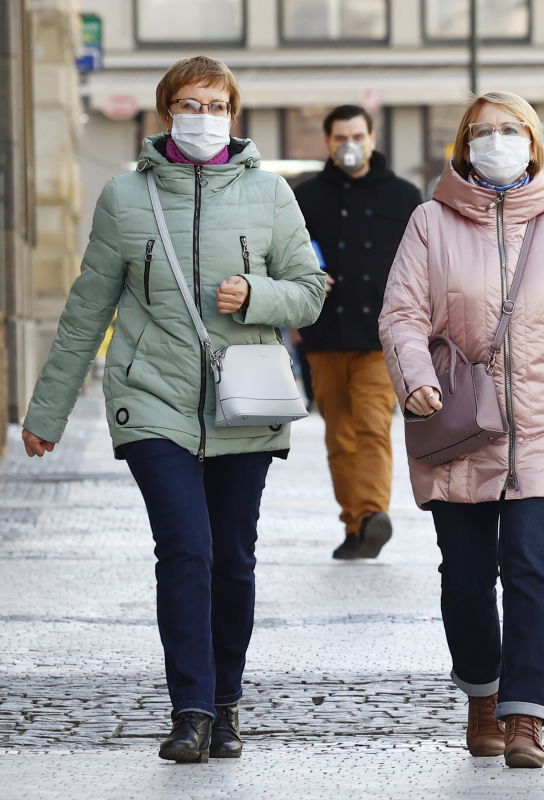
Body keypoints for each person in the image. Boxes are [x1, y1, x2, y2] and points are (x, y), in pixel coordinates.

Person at [20, 56, 326, 763]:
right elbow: (88, 308)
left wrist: (256, 294)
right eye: (189, 104)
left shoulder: (270, 194)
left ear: (233, 115)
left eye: (216, 106)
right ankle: (190, 709)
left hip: (244, 403)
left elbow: (309, 291)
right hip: (151, 398)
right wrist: (47, 411)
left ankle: (226, 702)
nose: (203, 117)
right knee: (186, 550)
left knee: (233, 560)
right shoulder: (125, 196)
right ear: (166, 114)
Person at [379, 91, 544, 769]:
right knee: (465, 579)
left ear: (533, 142)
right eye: (483, 130)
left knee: (529, 564)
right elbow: (401, 316)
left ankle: (525, 716)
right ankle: (482, 692)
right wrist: (415, 378)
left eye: (510, 129)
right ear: (464, 146)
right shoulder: (429, 222)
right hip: (456, 424)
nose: (497, 140)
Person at [293, 105, 422, 560]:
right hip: (324, 333)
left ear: (372, 139)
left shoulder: (404, 195)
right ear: (328, 142)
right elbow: (285, 253)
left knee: (372, 427)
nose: (350, 145)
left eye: (357, 136)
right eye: (340, 137)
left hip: (379, 336)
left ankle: (371, 515)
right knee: (338, 435)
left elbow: (421, 262)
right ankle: (354, 522)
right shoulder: (305, 197)